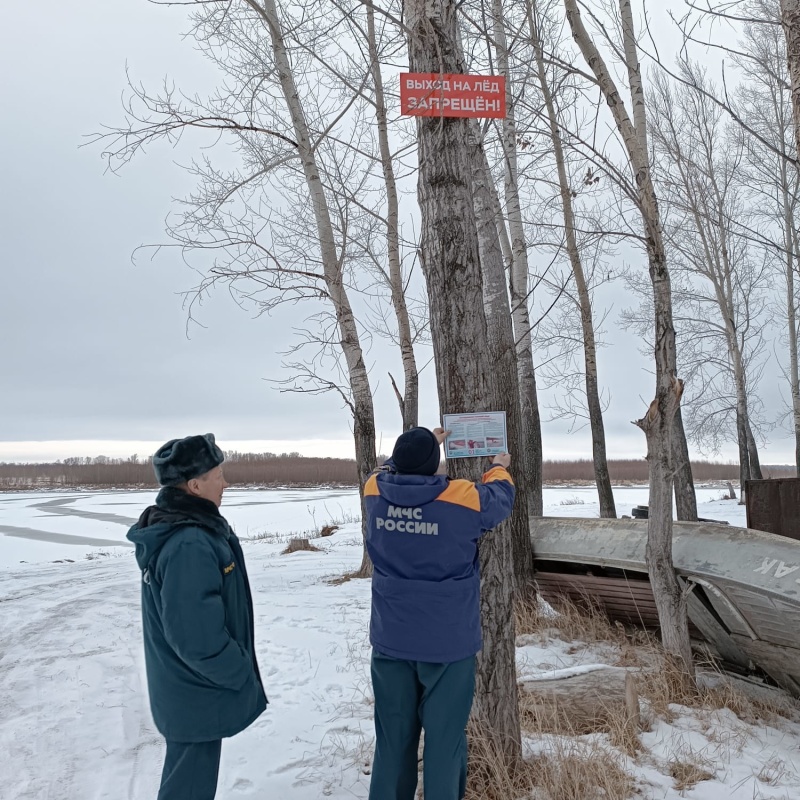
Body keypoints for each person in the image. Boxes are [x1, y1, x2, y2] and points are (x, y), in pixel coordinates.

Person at [364, 425, 515, 800]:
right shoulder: (460, 498)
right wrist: (499, 466)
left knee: (392, 742)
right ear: (435, 466)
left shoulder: (374, 493)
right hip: (448, 643)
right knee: (445, 742)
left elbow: (384, 470)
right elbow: (500, 497)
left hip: (391, 639)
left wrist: (422, 447)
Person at [127, 434, 267, 800]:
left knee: (188, 781)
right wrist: (238, 670)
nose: (225, 483)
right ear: (194, 484)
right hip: (195, 690)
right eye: (218, 475)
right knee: (188, 787)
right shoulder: (188, 542)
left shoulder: (192, 529)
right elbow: (195, 637)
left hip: (190, 689)